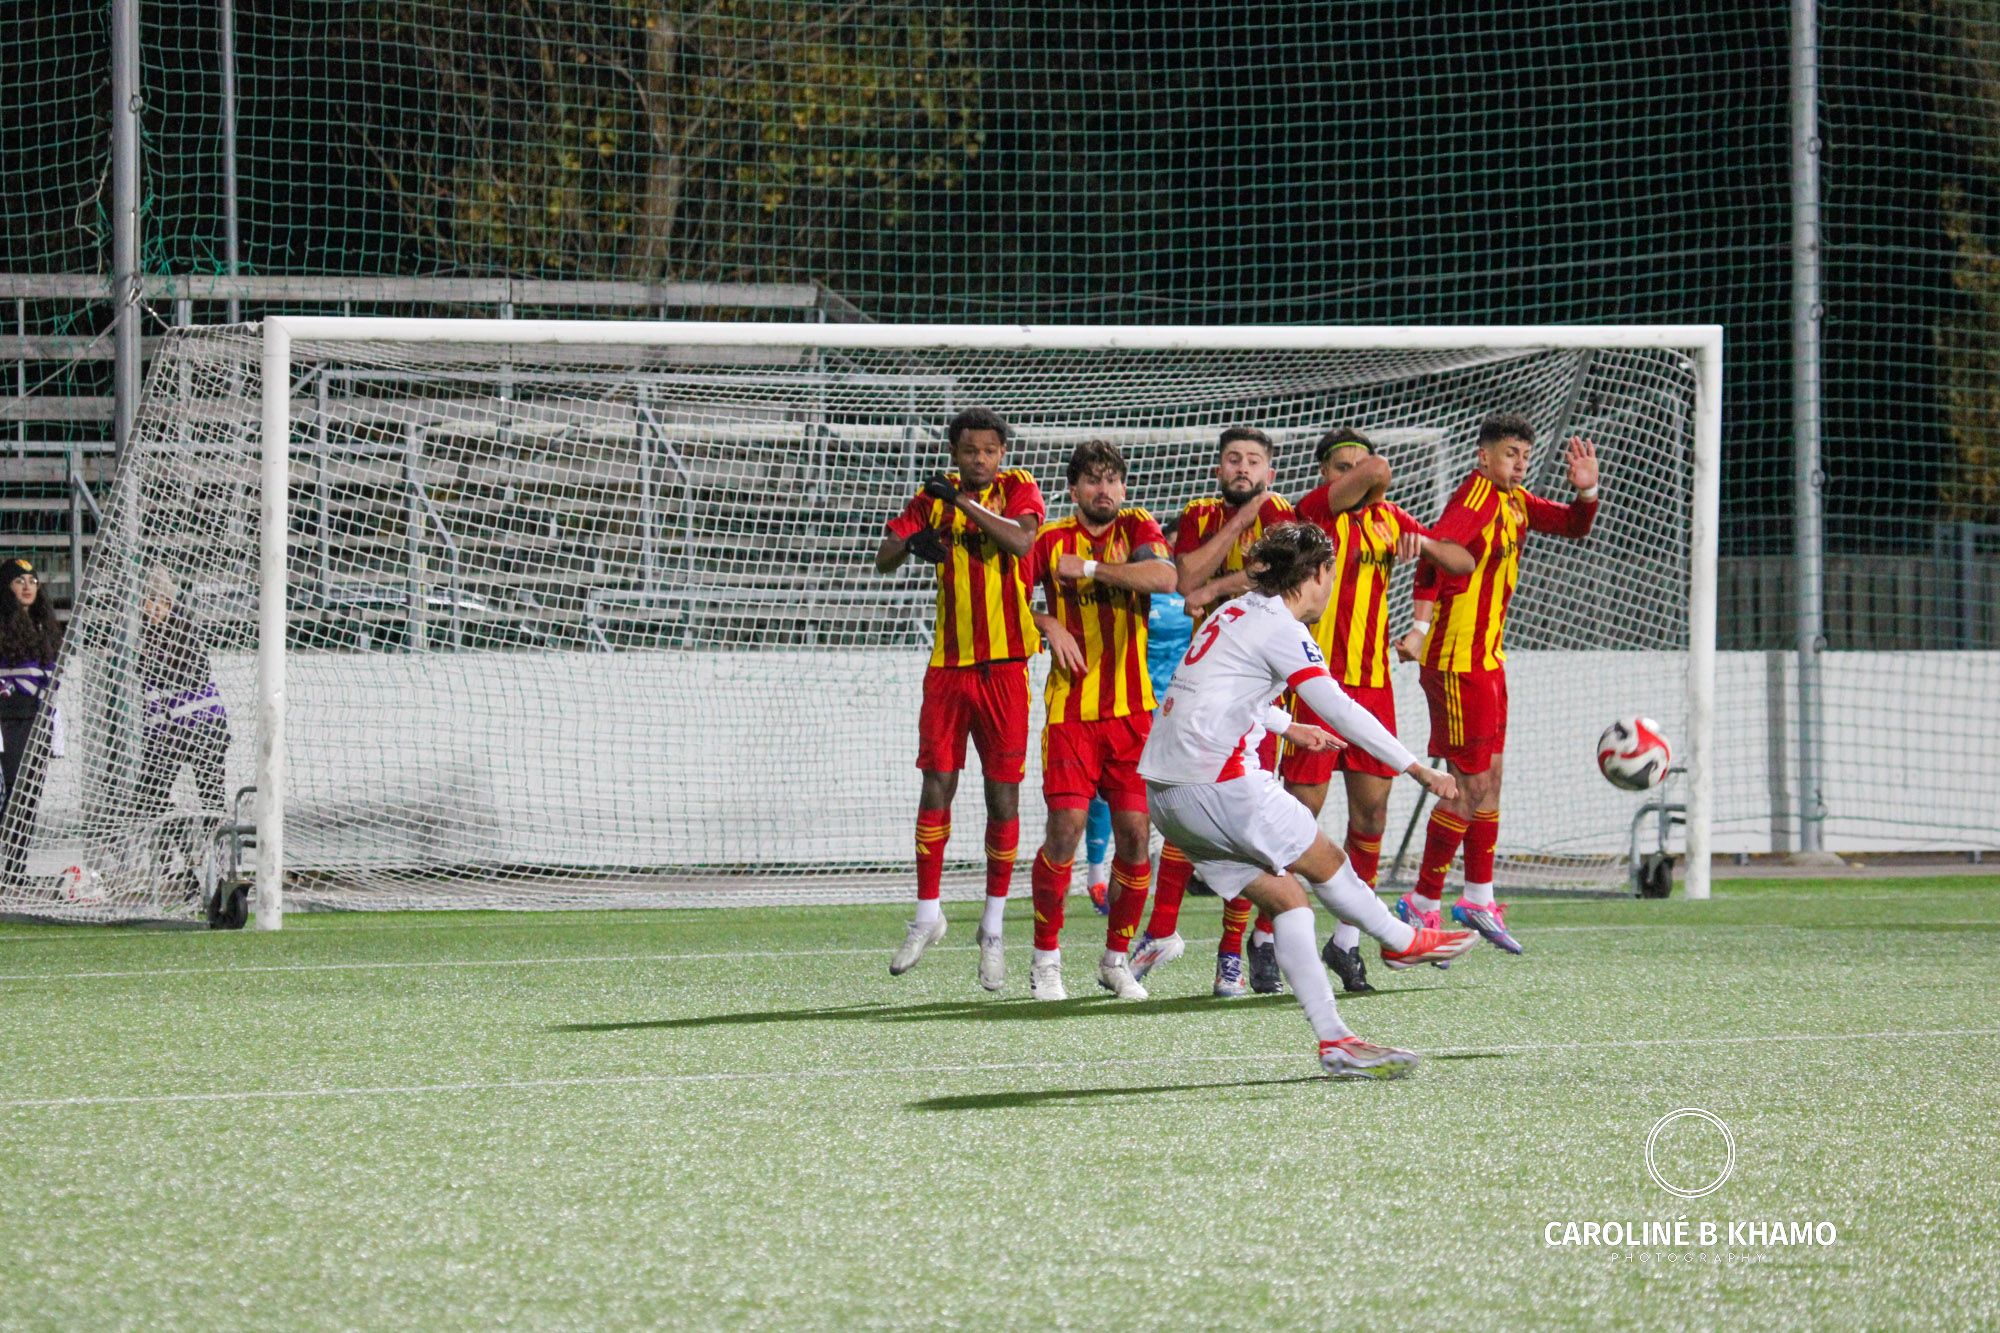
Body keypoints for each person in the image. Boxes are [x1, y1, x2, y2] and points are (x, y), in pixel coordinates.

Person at [1137, 523, 1475, 1077]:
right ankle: (1403, 939)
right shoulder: (1279, 627)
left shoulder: (1235, 611)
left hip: (1168, 797)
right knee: (1327, 865)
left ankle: (1335, 1042)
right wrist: (1414, 767)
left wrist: (1285, 725)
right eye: (1331, 573)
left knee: (1287, 900)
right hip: (1221, 783)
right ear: (1317, 574)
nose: (1331, 585)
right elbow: (1340, 708)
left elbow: (1212, 688)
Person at [1395, 412, 1601, 955]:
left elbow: (1574, 527)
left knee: (1491, 779)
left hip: (1486, 660)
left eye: (1525, 457)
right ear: (1484, 455)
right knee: (1470, 786)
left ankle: (1478, 895)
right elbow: (1432, 557)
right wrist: (1417, 630)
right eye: (1511, 454)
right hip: (1457, 662)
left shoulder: (1513, 500)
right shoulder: (1476, 498)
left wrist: (1586, 492)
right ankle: (1422, 900)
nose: (1519, 464)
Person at [1278, 428, 1472, 993]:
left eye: (1358, 465)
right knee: (1294, 821)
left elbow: (1458, 561)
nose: (1358, 474)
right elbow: (1379, 470)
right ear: (1324, 476)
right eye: (1343, 466)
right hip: (1315, 687)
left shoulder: (1388, 519)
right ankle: (1266, 941)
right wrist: (1367, 474)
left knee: (1370, 821)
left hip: (1373, 688)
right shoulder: (1314, 516)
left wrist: (1425, 552)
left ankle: (1346, 942)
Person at [876, 407, 1046, 987]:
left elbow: (1023, 545)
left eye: (989, 450)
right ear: (955, 452)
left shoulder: (1018, 487)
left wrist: (961, 505)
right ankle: (928, 914)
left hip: (1005, 668)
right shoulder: (933, 497)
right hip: (948, 668)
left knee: (1002, 799)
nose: (980, 459)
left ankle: (992, 927)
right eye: (970, 450)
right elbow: (883, 557)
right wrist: (912, 544)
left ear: (1001, 453)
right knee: (936, 785)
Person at [1132, 426, 1295, 998]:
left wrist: (1226, 579)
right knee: (1184, 805)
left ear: (1270, 471)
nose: (1242, 468)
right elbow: (1185, 581)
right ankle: (1161, 931)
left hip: (1261, 689)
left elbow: (1277, 583)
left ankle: (1231, 955)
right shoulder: (1201, 512)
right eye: (1233, 459)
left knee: (1248, 823)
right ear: (1219, 468)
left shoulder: (1287, 516)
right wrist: (1239, 523)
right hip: (1204, 688)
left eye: (1253, 460)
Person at [1021, 441, 1177, 1000]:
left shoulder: (1137, 526)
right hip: (1071, 714)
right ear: (1073, 489)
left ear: (1125, 489)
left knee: (1136, 838)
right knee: (1064, 831)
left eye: (1112, 480)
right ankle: (1045, 960)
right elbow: (1009, 599)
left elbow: (1164, 578)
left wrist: (1088, 569)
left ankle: (1116, 960)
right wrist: (1046, 622)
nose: (1103, 490)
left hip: (1133, 715)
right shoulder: (1048, 540)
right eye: (1092, 480)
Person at [135, 568, 232, 903]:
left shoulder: (182, 634)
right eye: (151, 600)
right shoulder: (142, 639)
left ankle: (214, 872)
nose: (156, 608)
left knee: (212, 802)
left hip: (202, 728)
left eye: (162, 601)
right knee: (149, 797)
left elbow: (176, 683)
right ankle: (190, 866)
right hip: (171, 733)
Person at [0, 557, 62, 887]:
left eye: (32, 581)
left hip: (38, 722)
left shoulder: (44, 628)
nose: (27, 587)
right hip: (8, 720)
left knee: (27, 799)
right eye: (19, 581)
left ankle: (14, 871)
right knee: (9, 792)